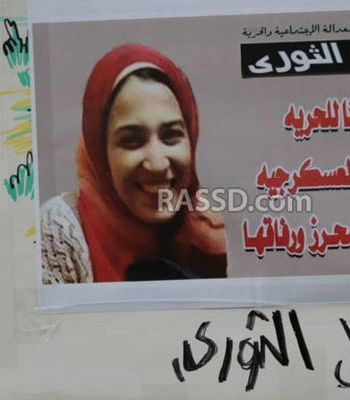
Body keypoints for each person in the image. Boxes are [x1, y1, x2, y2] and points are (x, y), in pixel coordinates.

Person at [40, 44, 227, 284]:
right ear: (99, 151)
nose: (157, 163)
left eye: (171, 135)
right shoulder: (60, 234)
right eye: (132, 141)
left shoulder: (202, 229)